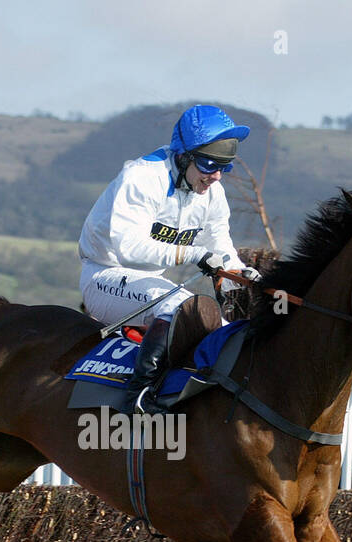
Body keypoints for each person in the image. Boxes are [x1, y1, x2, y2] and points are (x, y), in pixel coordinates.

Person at [78, 104, 260, 413]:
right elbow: (130, 248)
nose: (216, 176)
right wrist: (194, 254)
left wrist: (239, 274)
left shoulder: (211, 193)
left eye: (224, 167)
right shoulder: (141, 178)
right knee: (182, 306)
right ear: (184, 155)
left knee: (222, 328)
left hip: (149, 285)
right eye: (208, 165)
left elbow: (219, 242)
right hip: (104, 276)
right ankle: (139, 397)